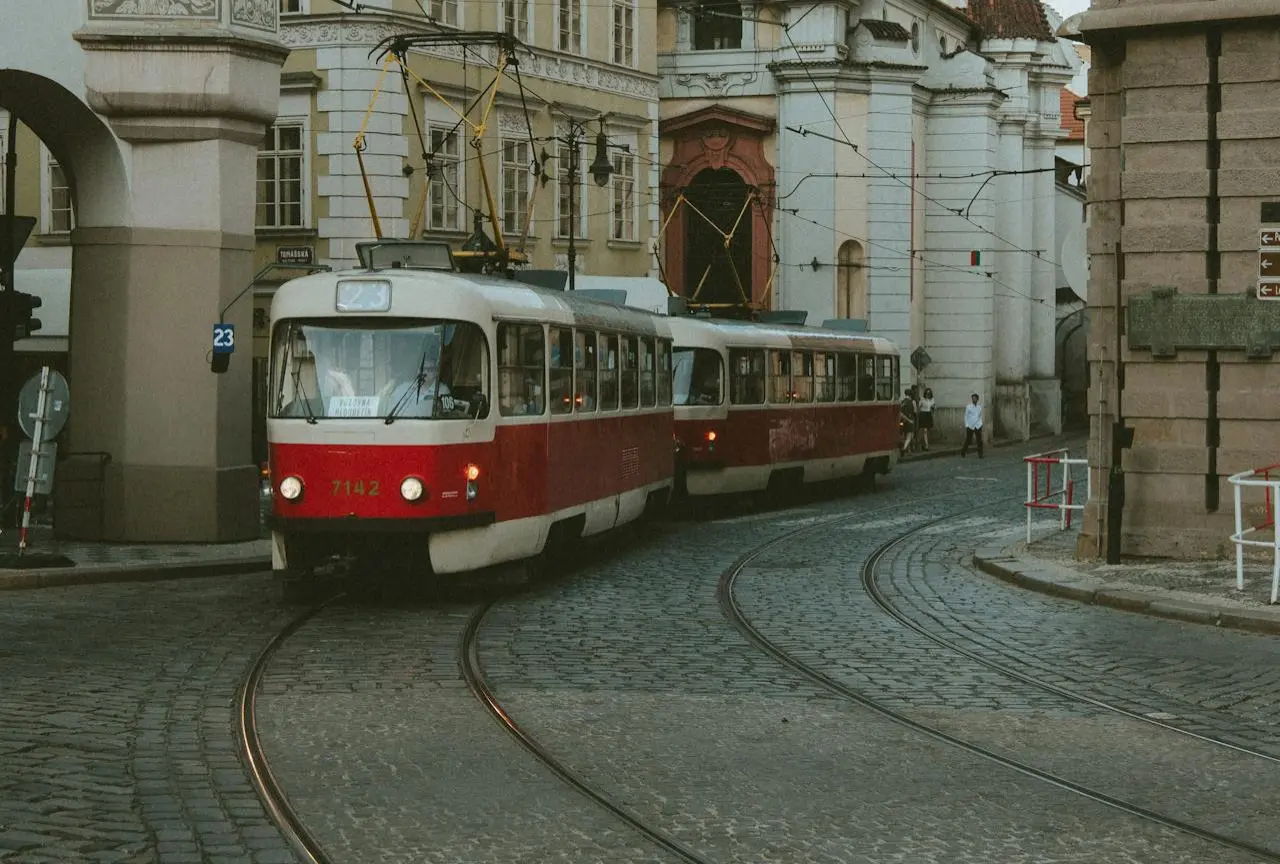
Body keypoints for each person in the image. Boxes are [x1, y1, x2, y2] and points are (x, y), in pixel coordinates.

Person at [383, 345, 450, 418]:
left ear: (435, 372)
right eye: (422, 369)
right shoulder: (402, 389)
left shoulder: (443, 390)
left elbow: (448, 415)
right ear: (417, 370)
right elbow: (389, 412)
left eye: (429, 369)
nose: (425, 373)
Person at [961, 392, 984, 458]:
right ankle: (963, 451)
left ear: (977, 399)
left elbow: (980, 416)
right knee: (968, 440)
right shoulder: (969, 407)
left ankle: (980, 453)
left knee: (979, 440)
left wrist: (981, 424)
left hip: (977, 425)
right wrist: (967, 425)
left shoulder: (979, 407)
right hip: (970, 426)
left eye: (975, 398)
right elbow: (966, 416)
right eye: (973, 398)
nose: (974, 400)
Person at [916, 387, 935, 451]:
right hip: (923, 414)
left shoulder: (932, 399)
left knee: (928, 430)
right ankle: (926, 445)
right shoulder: (922, 399)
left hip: (928, 414)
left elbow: (934, 407)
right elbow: (918, 406)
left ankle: (925, 443)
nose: (928, 395)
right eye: (927, 393)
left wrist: (933, 407)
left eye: (929, 394)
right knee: (924, 430)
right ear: (925, 393)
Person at [899, 387, 917, 456]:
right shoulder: (912, 402)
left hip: (902, 421)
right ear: (911, 395)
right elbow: (915, 411)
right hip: (910, 420)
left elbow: (900, 412)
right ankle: (904, 448)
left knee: (905, 435)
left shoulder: (902, 402)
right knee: (910, 436)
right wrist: (909, 420)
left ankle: (908, 451)